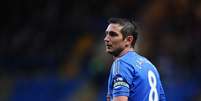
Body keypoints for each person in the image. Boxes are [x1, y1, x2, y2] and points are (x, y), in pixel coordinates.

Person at [104, 18, 166, 101]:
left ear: (128, 40)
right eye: (106, 34)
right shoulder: (150, 66)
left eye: (113, 34)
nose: (106, 39)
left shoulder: (121, 63)